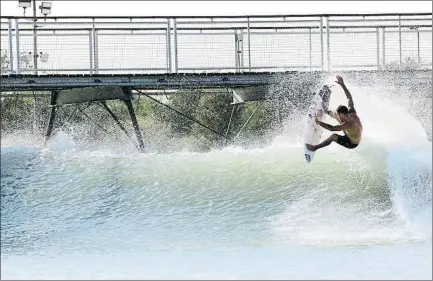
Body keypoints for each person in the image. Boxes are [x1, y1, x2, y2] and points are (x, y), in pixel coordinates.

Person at [306, 76, 363, 152]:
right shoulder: (352, 112)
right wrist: (343, 85)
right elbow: (349, 98)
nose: (338, 115)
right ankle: (325, 110)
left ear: (342, 114)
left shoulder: (348, 124)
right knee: (337, 117)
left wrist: (318, 122)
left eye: (339, 114)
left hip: (351, 143)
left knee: (333, 136)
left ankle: (314, 148)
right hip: (352, 133)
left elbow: (332, 128)